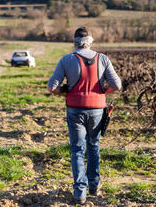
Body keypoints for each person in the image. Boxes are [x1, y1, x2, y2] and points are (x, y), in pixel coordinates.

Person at [47, 27, 121, 204]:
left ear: (75, 42)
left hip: (75, 109)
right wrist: (102, 90)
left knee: (77, 150)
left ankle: (80, 192)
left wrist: (63, 91)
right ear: (91, 41)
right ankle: (94, 186)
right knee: (94, 146)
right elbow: (116, 85)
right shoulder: (102, 59)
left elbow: (52, 87)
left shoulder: (67, 59)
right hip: (97, 109)